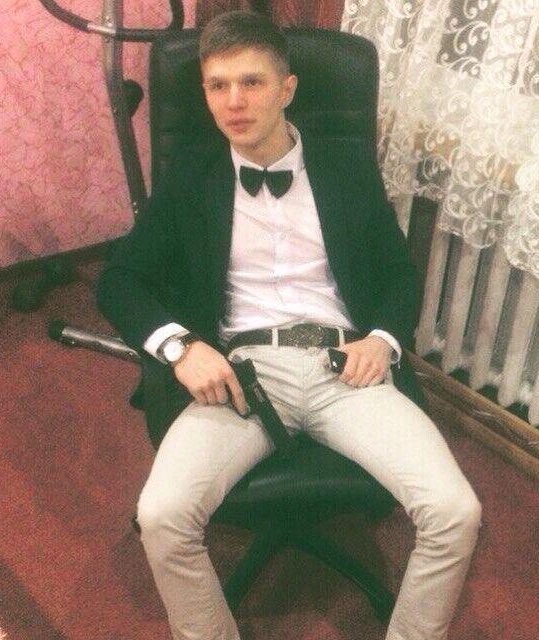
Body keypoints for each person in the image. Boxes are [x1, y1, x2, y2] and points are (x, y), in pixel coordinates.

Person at [97, 10, 481, 640]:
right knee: (162, 515)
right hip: (241, 375)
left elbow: (398, 273)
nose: (233, 101)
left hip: (346, 369)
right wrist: (179, 347)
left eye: (251, 82)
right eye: (217, 85)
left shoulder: (345, 167)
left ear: (287, 89)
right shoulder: (191, 174)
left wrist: (383, 340)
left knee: (455, 512)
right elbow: (119, 279)